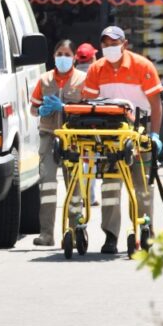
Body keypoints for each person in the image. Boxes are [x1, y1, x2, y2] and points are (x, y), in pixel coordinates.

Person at [77, 25, 163, 254]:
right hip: (110, 134)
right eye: (105, 44)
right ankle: (111, 236)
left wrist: (155, 135)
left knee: (143, 186)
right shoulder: (96, 69)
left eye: (114, 44)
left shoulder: (142, 66)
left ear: (124, 44)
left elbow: (155, 104)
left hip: (139, 131)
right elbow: (88, 104)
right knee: (110, 186)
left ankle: (145, 231)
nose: (109, 48)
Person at [30, 39, 86, 246]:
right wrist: (41, 110)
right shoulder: (45, 80)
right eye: (59, 54)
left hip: (73, 137)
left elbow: (89, 108)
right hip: (49, 135)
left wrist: (65, 108)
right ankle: (46, 234)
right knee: (47, 183)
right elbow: (33, 108)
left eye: (67, 54)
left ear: (74, 57)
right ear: (54, 56)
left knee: (74, 185)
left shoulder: (82, 80)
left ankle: (74, 231)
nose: (63, 58)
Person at [74, 42, 100, 205]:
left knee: (76, 161)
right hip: (95, 123)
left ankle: (78, 196)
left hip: (75, 124)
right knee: (91, 161)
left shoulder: (72, 75)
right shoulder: (96, 74)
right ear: (93, 57)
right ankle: (89, 197)